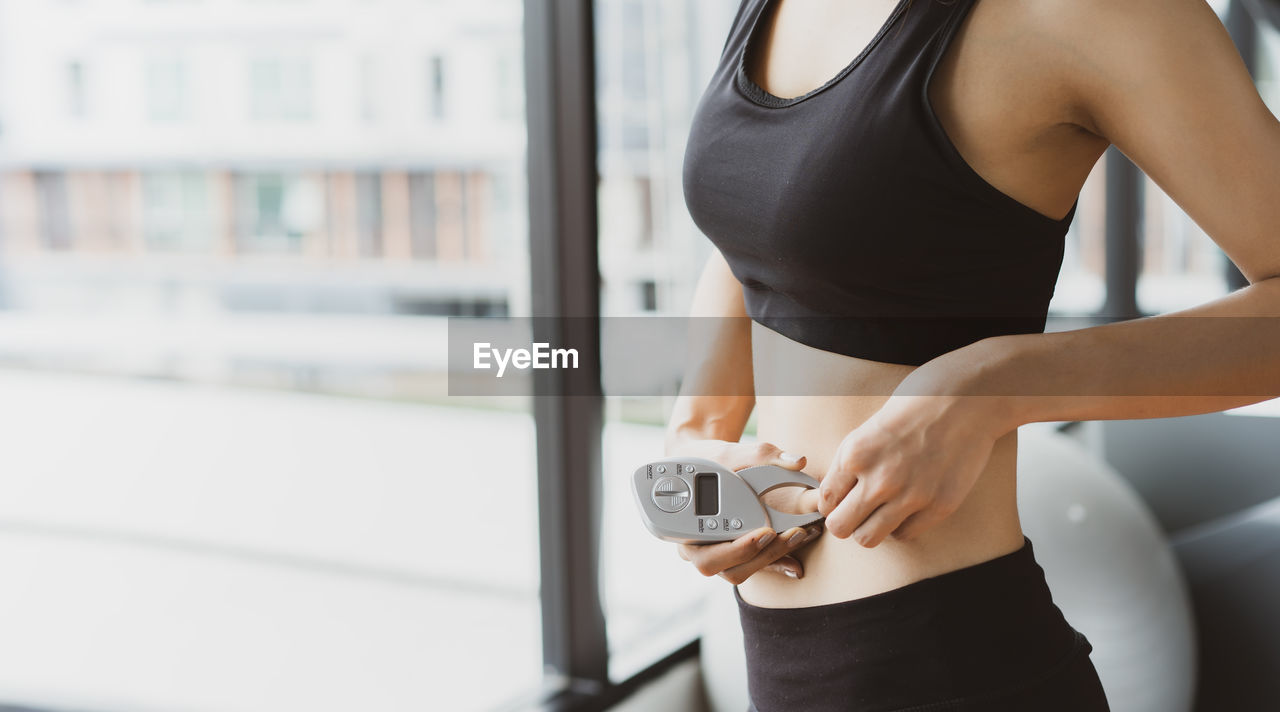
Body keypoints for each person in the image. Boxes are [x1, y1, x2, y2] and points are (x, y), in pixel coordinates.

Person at [666, 0, 1280, 709]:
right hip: (784, 671)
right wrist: (697, 439)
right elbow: (759, 224)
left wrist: (994, 382)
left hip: (950, 669)